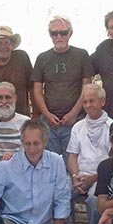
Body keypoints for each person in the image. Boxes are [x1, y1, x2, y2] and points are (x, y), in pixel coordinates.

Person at [32, 15, 94, 164]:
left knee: (73, 164)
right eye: (54, 33)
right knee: (47, 163)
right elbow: (37, 91)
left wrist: (73, 113)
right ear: (50, 35)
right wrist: (46, 115)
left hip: (75, 122)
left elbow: (87, 88)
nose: (59, 36)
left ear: (70, 33)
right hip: (49, 123)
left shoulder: (81, 55)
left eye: (63, 32)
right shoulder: (42, 58)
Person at [66, 83, 113, 224]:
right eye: (85, 102)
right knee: (58, 192)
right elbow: (72, 156)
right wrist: (75, 177)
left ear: (102, 102)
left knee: (95, 200)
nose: (88, 105)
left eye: (92, 101)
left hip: (102, 178)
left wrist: (92, 179)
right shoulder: (78, 127)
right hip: (79, 176)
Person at [0, 26, 36, 117]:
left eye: (7, 42)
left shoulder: (21, 58)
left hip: (22, 116)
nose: (3, 46)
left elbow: (32, 87)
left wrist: (36, 114)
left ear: (12, 45)